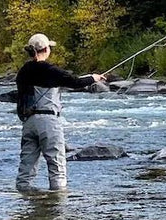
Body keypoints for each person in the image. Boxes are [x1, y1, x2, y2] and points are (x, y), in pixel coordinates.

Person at [15, 33, 104, 192]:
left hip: (28, 122)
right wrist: (93, 78)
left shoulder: (23, 71)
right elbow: (75, 82)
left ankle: (23, 198)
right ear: (46, 49)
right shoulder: (50, 70)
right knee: (56, 164)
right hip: (48, 121)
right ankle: (58, 200)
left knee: (26, 165)